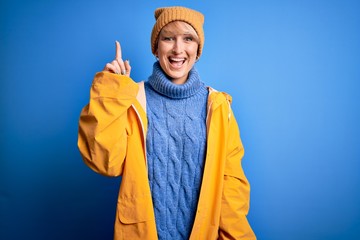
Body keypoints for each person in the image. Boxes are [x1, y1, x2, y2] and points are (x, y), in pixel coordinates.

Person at [78, 6, 256, 240]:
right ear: (156, 47)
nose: (178, 49)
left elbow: (231, 189)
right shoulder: (133, 100)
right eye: (168, 38)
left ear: (198, 49)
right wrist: (112, 92)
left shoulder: (218, 106)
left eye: (188, 39)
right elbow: (104, 162)